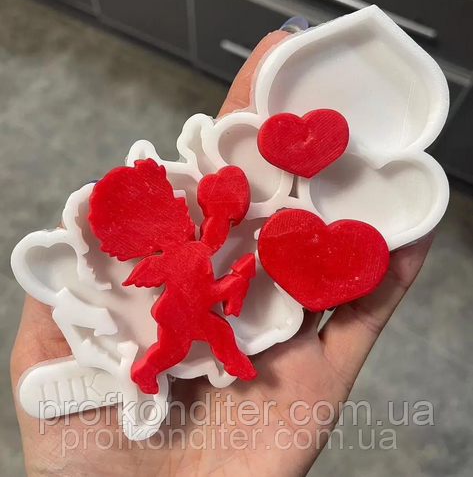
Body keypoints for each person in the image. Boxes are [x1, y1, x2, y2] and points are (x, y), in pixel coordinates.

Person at [10, 26, 434, 477]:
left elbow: (210, 247)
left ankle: (199, 366)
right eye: (177, 212)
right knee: (177, 350)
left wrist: (225, 233)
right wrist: (230, 281)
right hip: (183, 313)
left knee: (214, 339)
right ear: (159, 228)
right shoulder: (182, 255)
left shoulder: (189, 248)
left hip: (192, 310)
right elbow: (201, 277)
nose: (184, 212)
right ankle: (151, 373)